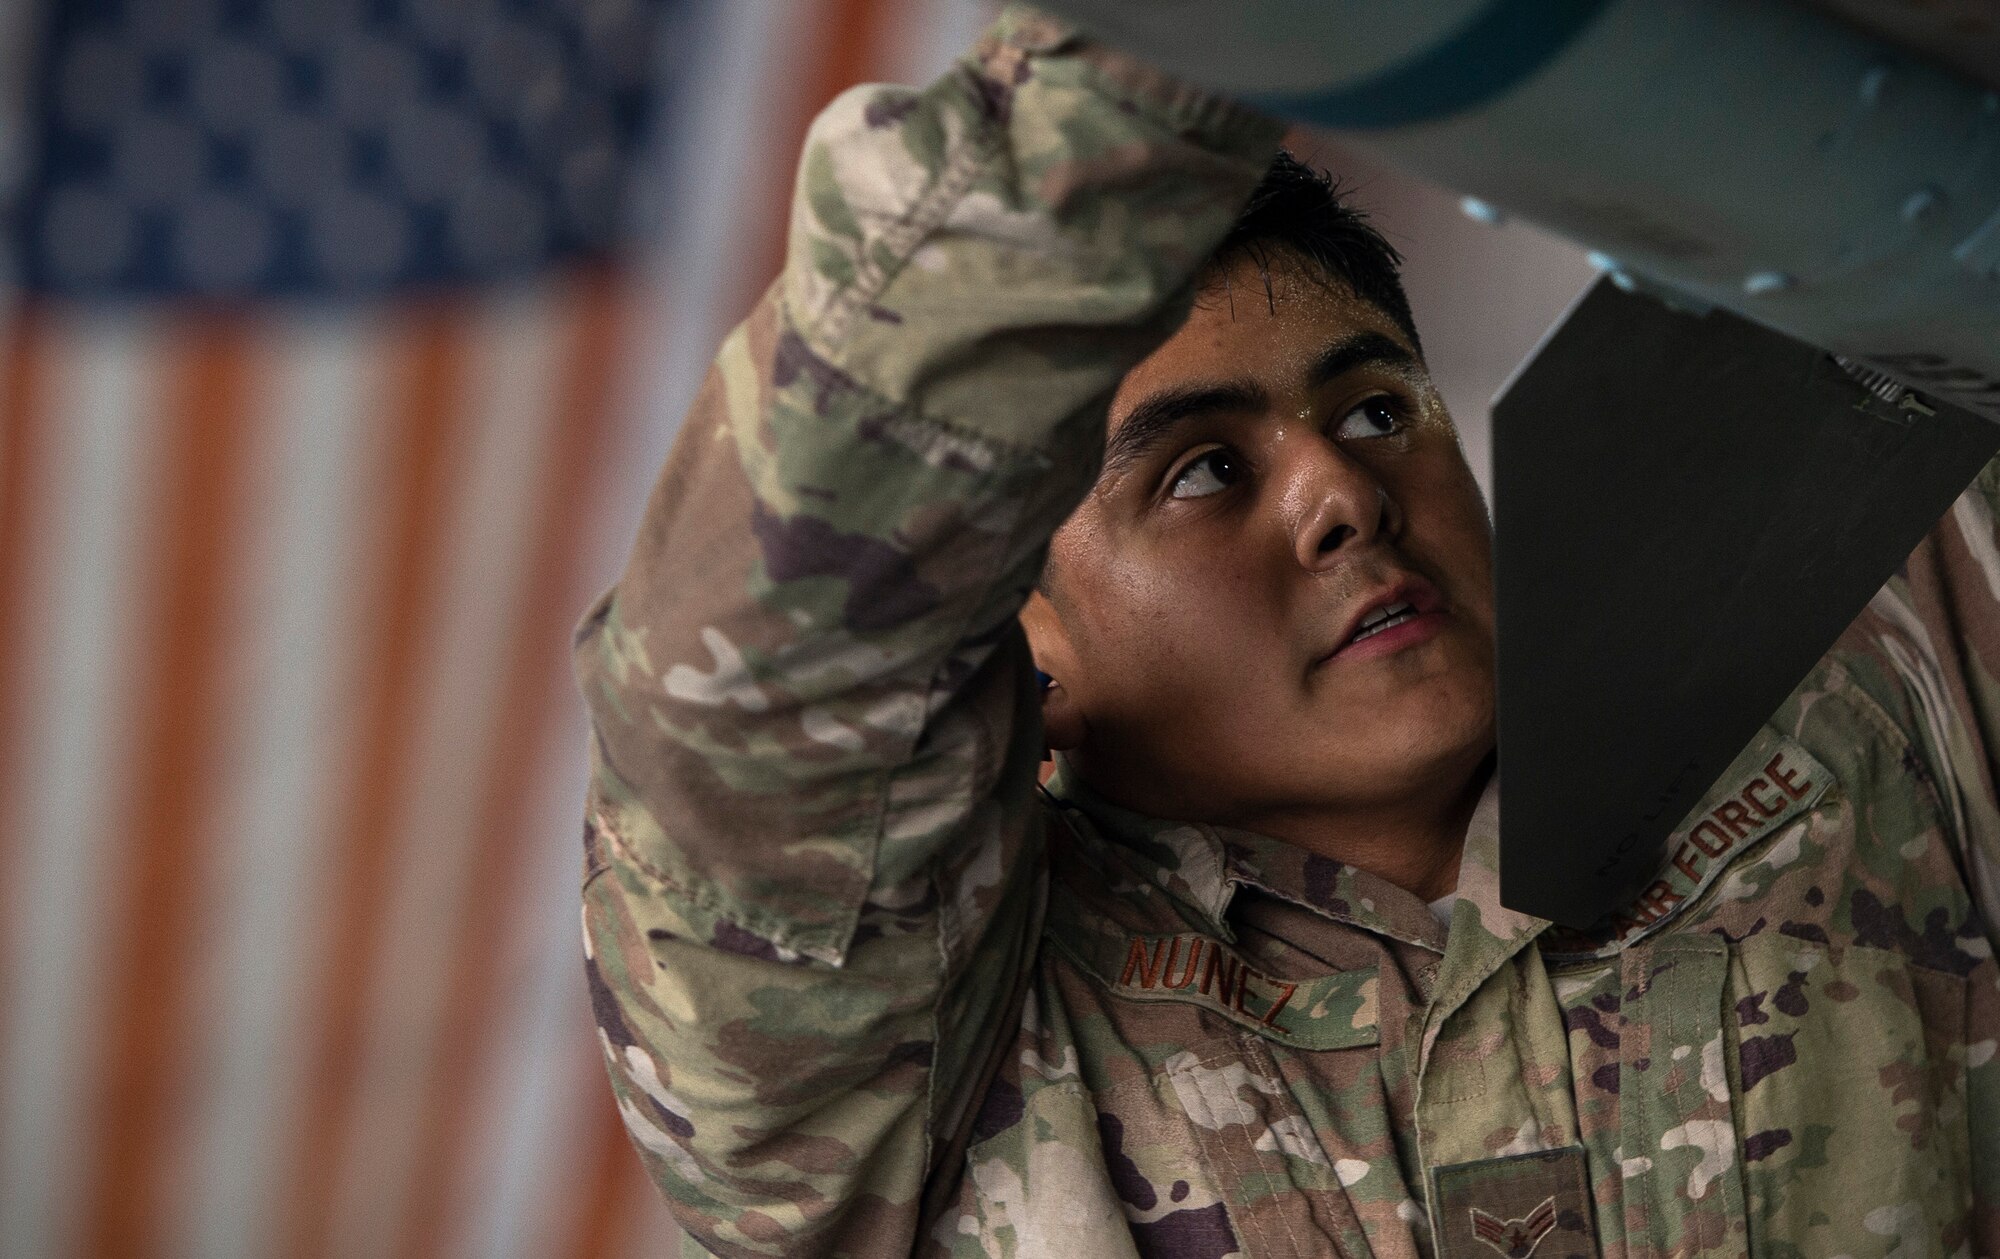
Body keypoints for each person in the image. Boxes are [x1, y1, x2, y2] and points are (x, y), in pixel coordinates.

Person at [575, 7, 2000, 1256]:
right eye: (1203, 472)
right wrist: (1176, 56)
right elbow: (744, 695)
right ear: (1024, 655)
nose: (1339, 492)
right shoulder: (950, 1058)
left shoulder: (1854, 716)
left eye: (1378, 410)